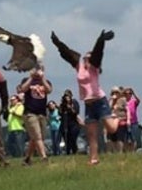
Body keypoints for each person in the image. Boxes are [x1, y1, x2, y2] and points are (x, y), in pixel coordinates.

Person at [50, 29, 119, 165]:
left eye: (88, 58)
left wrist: (101, 39)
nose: (86, 59)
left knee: (111, 129)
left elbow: (98, 52)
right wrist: (57, 43)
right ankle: (93, 159)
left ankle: (116, 117)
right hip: (88, 104)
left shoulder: (94, 68)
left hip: (100, 101)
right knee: (91, 134)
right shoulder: (79, 67)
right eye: (85, 58)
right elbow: (68, 54)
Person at [17, 66, 53, 165]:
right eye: (35, 69)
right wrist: (31, 78)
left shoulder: (46, 82)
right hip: (30, 113)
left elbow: (49, 90)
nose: (37, 71)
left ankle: (27, 158)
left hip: (42, 113)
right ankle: (44, 157)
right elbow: (23, 89)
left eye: (39, 69)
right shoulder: (26, 81)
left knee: (38, 137)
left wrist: (42, 79)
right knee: (37, 135)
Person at [108, 86, 129, 154]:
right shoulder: (110, 100)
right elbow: (108, 109)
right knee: (112, 138)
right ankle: (114, 152)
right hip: (112, 121)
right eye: (113, 92)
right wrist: (112, 100)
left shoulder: (123, 100)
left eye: (116, 92)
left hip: (121, 120)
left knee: (120, 138)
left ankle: (120, 152)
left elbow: (127, 110)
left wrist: (128, 119)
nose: (115, 94)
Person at [59, 90, 81, 155]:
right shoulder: (63, 104)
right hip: (65, 124)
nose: (67, 97)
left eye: (68, 95)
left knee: (73, 138)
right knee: (67, 139)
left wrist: (70, 108)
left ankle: (75, 150)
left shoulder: (74, 102)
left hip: (73, 124)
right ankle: (68, 152)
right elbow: (60, 113)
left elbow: (76, 112)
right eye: (65, 96)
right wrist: (61, 106)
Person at [124, 87, 141, 152]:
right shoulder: (123, 102)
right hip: (125, 122)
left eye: (130, 93)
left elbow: (139, 101)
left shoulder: (133, 101)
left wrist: (134, 93)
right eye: (126, 93)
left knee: (133, 138)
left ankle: (133, 151)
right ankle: (126, 151)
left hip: (134, 122)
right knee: (125, 138)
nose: (128, 95)